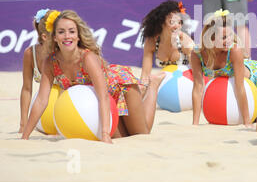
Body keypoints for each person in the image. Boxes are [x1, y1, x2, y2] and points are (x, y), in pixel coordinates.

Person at [22, 10, 163, 143]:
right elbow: (41, 100)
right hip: (102, 102)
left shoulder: (87, 57)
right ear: (54, 37)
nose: (67, 36)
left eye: (72, 31)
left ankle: (153, 87)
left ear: (78, 36)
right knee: (123, 138)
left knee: (140, 134)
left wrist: (106, 134)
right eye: (61, 32)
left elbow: (103, 96)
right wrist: (25, 136)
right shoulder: (50, 62)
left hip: (120, 89)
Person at [191, 9, 257, 127]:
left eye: (230, 35)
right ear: (211, 39)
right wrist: (195, 123)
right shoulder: (197, 54)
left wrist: (247, 122)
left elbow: (240, 87)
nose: (229, 40)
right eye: (224, 37)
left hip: (256, 80)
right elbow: (198, 87)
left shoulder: (234, 50)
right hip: (232, 82)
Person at [140, 0, 194, 91]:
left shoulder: (184, 41)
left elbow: (199, 75)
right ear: (162, 23)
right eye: (172, 22)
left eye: (179, 22)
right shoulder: (152, 41)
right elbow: (144, 76)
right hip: (166, 88)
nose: (177, 26)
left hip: (187, 86)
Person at [19, 9, 56, 133]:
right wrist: (23, 124)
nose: (62, 36)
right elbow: (26, 89)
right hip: (44, 111)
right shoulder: (30, 53)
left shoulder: (63, 52)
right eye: (58, 32)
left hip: (66, 108)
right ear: (44, 36)